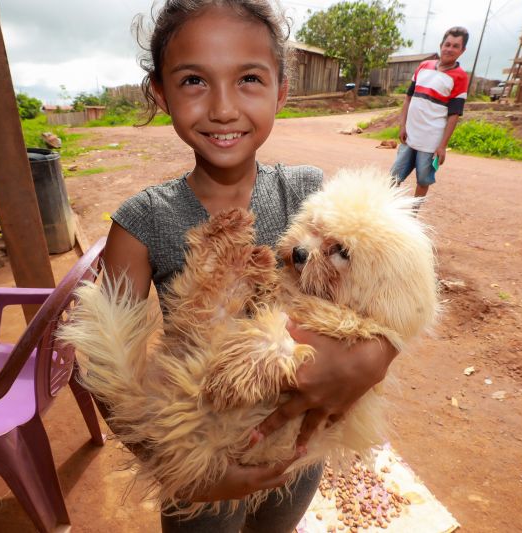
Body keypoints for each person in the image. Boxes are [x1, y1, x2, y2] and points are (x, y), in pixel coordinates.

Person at [100, 1, 400, 531]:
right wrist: (179, 471)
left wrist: (376, 356)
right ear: (160, 94)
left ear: (281, 91)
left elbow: (385, 293)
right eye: (194, 80)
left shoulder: (313, 196)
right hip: (201, 462)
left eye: (249, 80)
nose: (222, 108)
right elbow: (107, 366)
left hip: (297, 453)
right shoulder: (140, 223)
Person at [390, 26, 469, 199]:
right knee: (394, 176)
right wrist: (403, 126)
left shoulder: (460, 77)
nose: (449, 49)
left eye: (455, 46)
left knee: (423, 180)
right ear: (441, 45)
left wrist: (442, 146)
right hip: (410, 135)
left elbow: (454, 115)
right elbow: (408, 98)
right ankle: (388, 212)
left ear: (462, 51)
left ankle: (413, 215)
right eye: (447, 44)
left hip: (431, 141)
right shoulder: (424, 66)